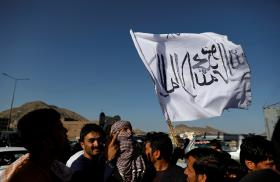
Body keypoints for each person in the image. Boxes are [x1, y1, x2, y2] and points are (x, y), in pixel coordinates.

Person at [1, 108, 73, 182]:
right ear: (45, 141)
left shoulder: (51, 166)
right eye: (59, 127)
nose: (65, 130)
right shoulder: (29, 176)